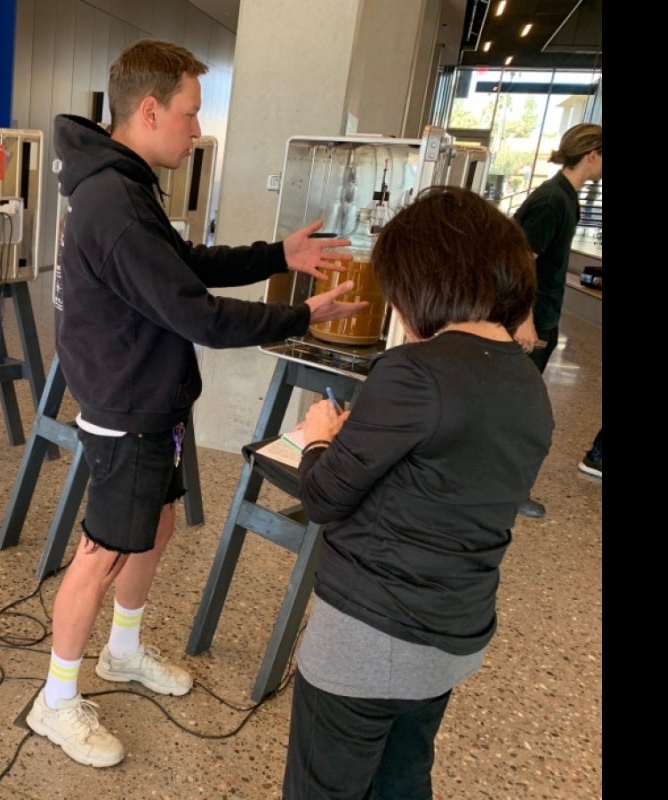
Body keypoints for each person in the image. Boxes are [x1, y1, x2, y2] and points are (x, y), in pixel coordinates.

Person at [25, 38, 366, 768]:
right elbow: (199, 315)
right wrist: (304, 316)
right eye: (190, 113)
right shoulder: (112, 200)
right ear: (149, 110)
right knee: (102, 551)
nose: (197, 128)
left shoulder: (126, 183)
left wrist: (277, 256)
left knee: (159, 524)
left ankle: (121, 652)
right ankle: (54, 701)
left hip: (154, 392)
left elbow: (185, 265)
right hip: (125, 403)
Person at [282, 186, 554, 799]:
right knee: (403, 782)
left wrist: (320, 439)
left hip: (369, 638)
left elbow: (324, 497)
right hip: (453, 638)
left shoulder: (413, 371)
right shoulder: (528, 386)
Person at [511, 122, 602, 516]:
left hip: (542, 314)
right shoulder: (553, 200)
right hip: (529, 319)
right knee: (521, 411)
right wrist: (523, 319)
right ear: (592, 155)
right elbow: (520, 264)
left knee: (520, 407)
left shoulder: (565, 196)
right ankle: (506, 491)